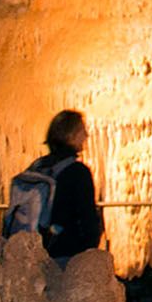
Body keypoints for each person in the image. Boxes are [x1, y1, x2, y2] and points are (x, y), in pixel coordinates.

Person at [35, 109, 103, 260]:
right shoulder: (78, 172)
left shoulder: (39, 167)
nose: (86, 136)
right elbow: (88, 220)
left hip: (38, 255)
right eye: (82, 131)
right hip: (67, 255)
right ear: (70, 135)